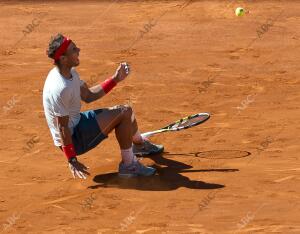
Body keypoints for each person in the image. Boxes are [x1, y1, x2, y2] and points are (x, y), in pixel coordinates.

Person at [42, 34, 164, 179]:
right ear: (63, 58)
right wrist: (72, 159)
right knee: (124, 114)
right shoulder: (60, 88)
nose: (79, 50)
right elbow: (62, 128)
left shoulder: (69, 72)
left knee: (126, 110)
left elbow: (88, 95)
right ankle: (129, 166)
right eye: (74, 49)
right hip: (74, 139)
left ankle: (138, 145)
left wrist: (115, 79)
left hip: (77, 123)